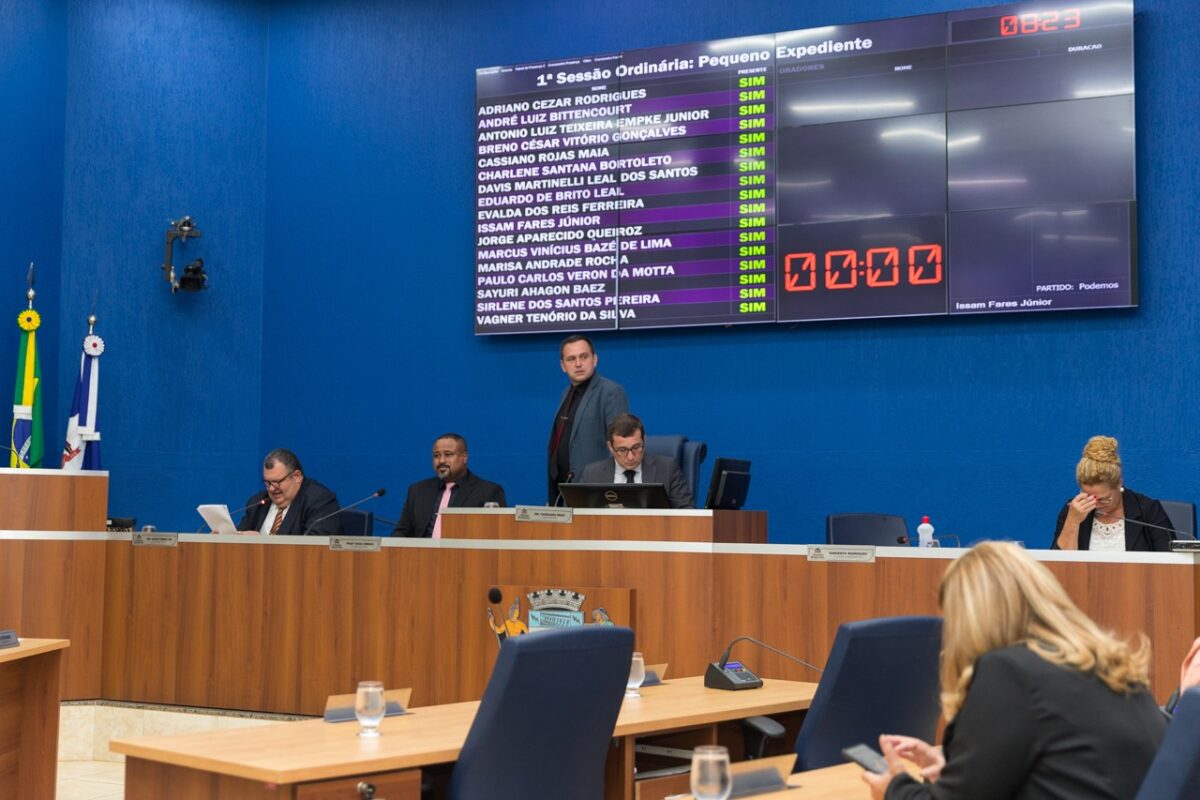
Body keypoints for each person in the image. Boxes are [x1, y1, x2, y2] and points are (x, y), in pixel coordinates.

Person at [862, 541, 1167, 800]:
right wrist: (957, 767)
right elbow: (1066, 771)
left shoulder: (1008, 671)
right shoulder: (1104, 662)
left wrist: (895, 787)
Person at [1051, 435, 1173, 551]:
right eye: (1089, 498)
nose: (1096, 505)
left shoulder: (1149, 510)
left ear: (1119, 483)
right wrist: (1072, 522)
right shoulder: (1074, 510)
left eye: (1104, 499)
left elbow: (1172, 565)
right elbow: (1058, 568)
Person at [547, 335, 629, 504]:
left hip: (595, 492)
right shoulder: (566, 394)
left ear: (595, 359)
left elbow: (621, 446)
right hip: (563, 490)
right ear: (563, 366)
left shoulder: (611, 392)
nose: (578, 364)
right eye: (571, 359)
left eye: (584, 357)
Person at [393, 433, 506, 537]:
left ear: (464, 457)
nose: (441, 460)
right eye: (436, 455)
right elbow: (401, 532)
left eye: (448, 454)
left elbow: (496, 537)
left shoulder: (488, 492)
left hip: (465, 557)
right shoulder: (418, 490)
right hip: (421, 557)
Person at [578, 413, 694, 508]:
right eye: (622, 450)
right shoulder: (592, 474)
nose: (630, 457)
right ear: (610, 447)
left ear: (644, 440)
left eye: (636, 447)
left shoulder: (667, 469)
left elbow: (687, 512)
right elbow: (577, 515)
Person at [237, 448, 342, 535]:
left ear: (296, 476)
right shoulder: (257, 503)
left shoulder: (320, 502)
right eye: (267, 483)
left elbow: (313, 549)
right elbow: (238, 537)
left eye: (277, 482)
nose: (272, 489)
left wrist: (263, 543)